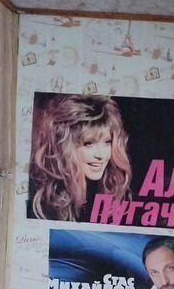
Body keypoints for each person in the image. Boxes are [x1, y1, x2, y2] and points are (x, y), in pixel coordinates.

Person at [29, 94, 132, 222]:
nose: (101, 155)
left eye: (107, 142)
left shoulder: (107, 190)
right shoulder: (45, 201)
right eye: (88, 144)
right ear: (64, 147)